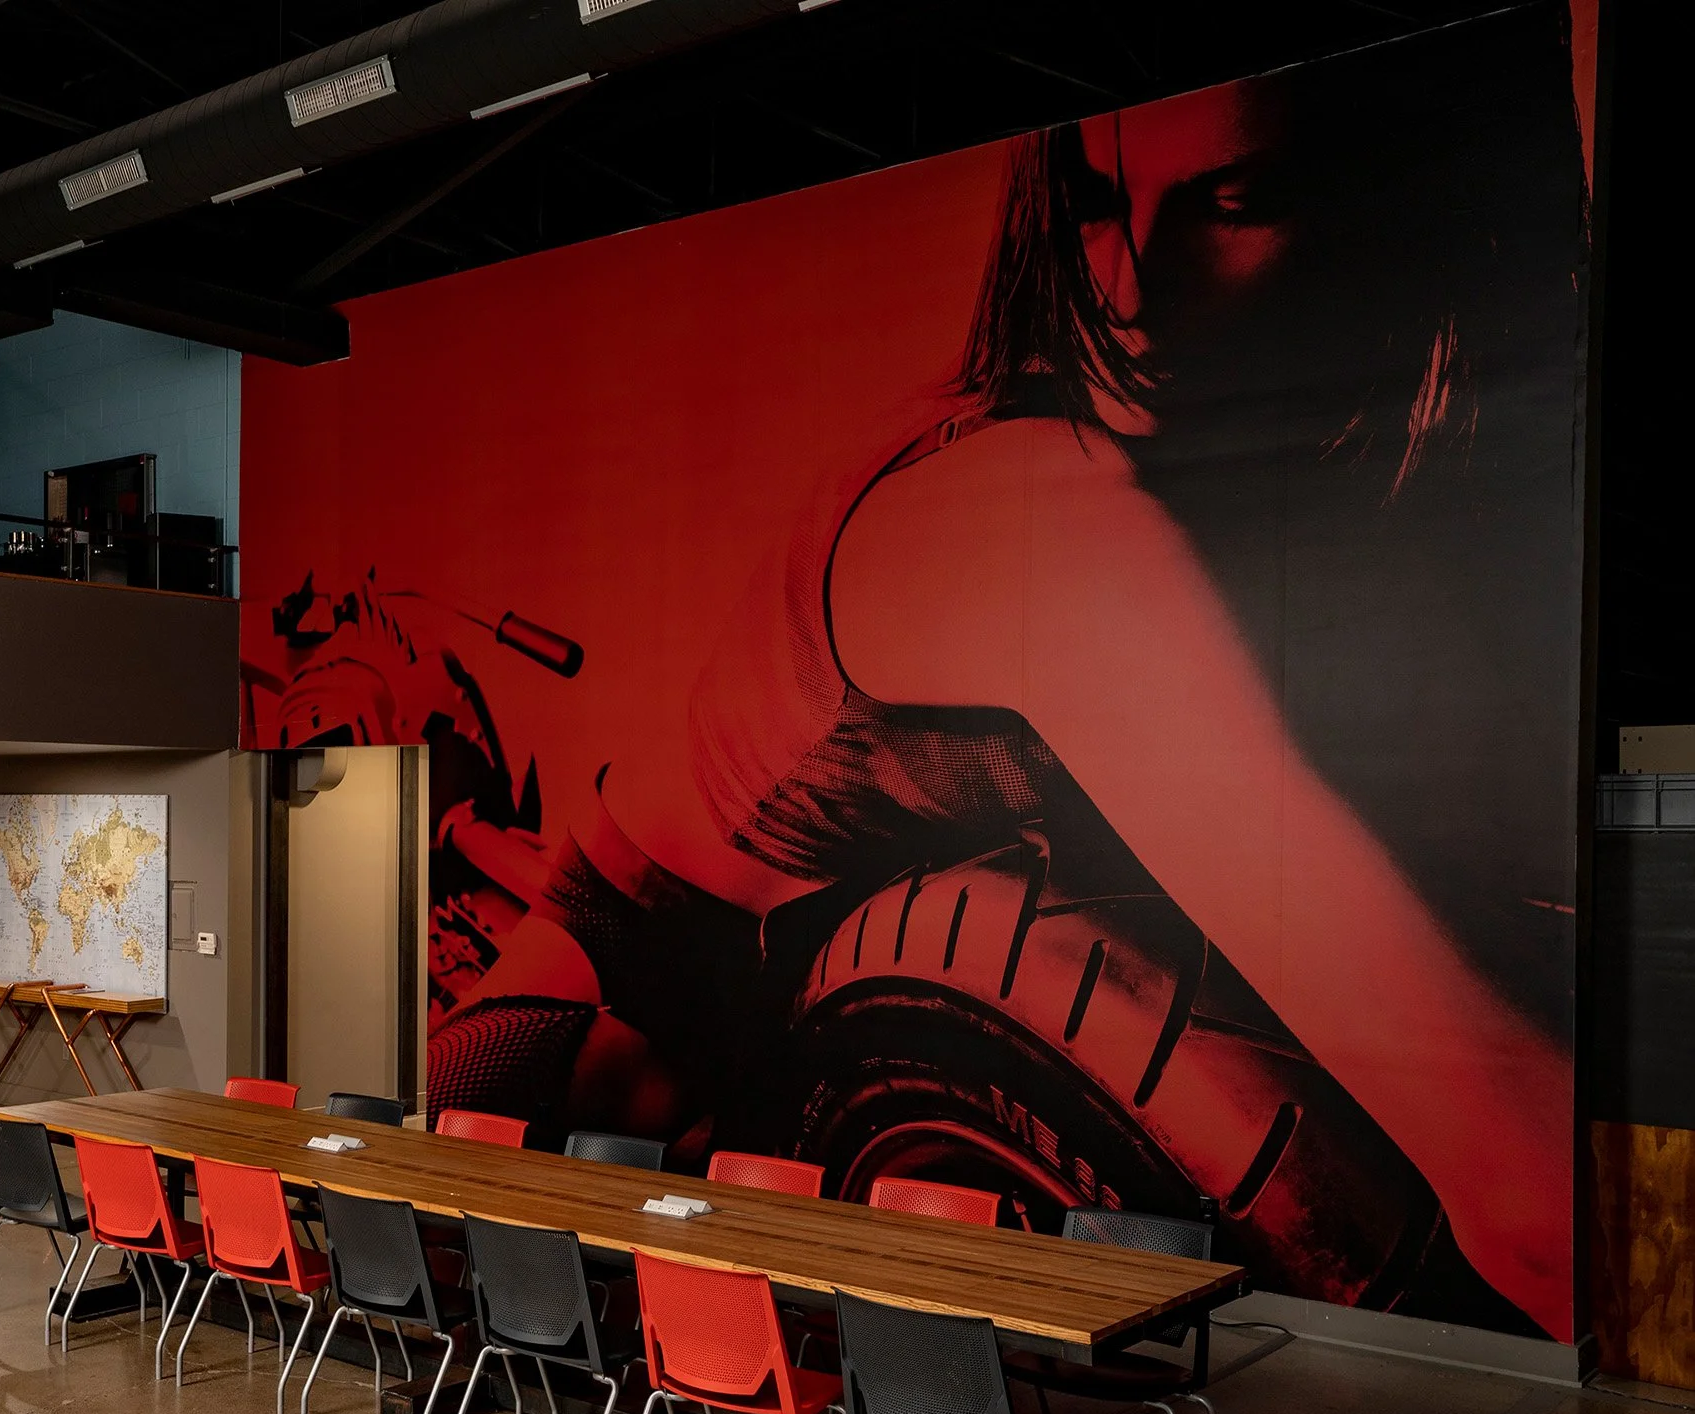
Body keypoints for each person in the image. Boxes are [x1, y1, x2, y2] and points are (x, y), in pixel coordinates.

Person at [431, 10, 1585, 1339]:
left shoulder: (1267, 490)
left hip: (781, 960)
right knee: (418, 1215)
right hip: (616, 978)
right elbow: (1530, 1209)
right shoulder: (1042, 518)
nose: (1137, 289)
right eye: (1094, 206)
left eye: (1237, 198)